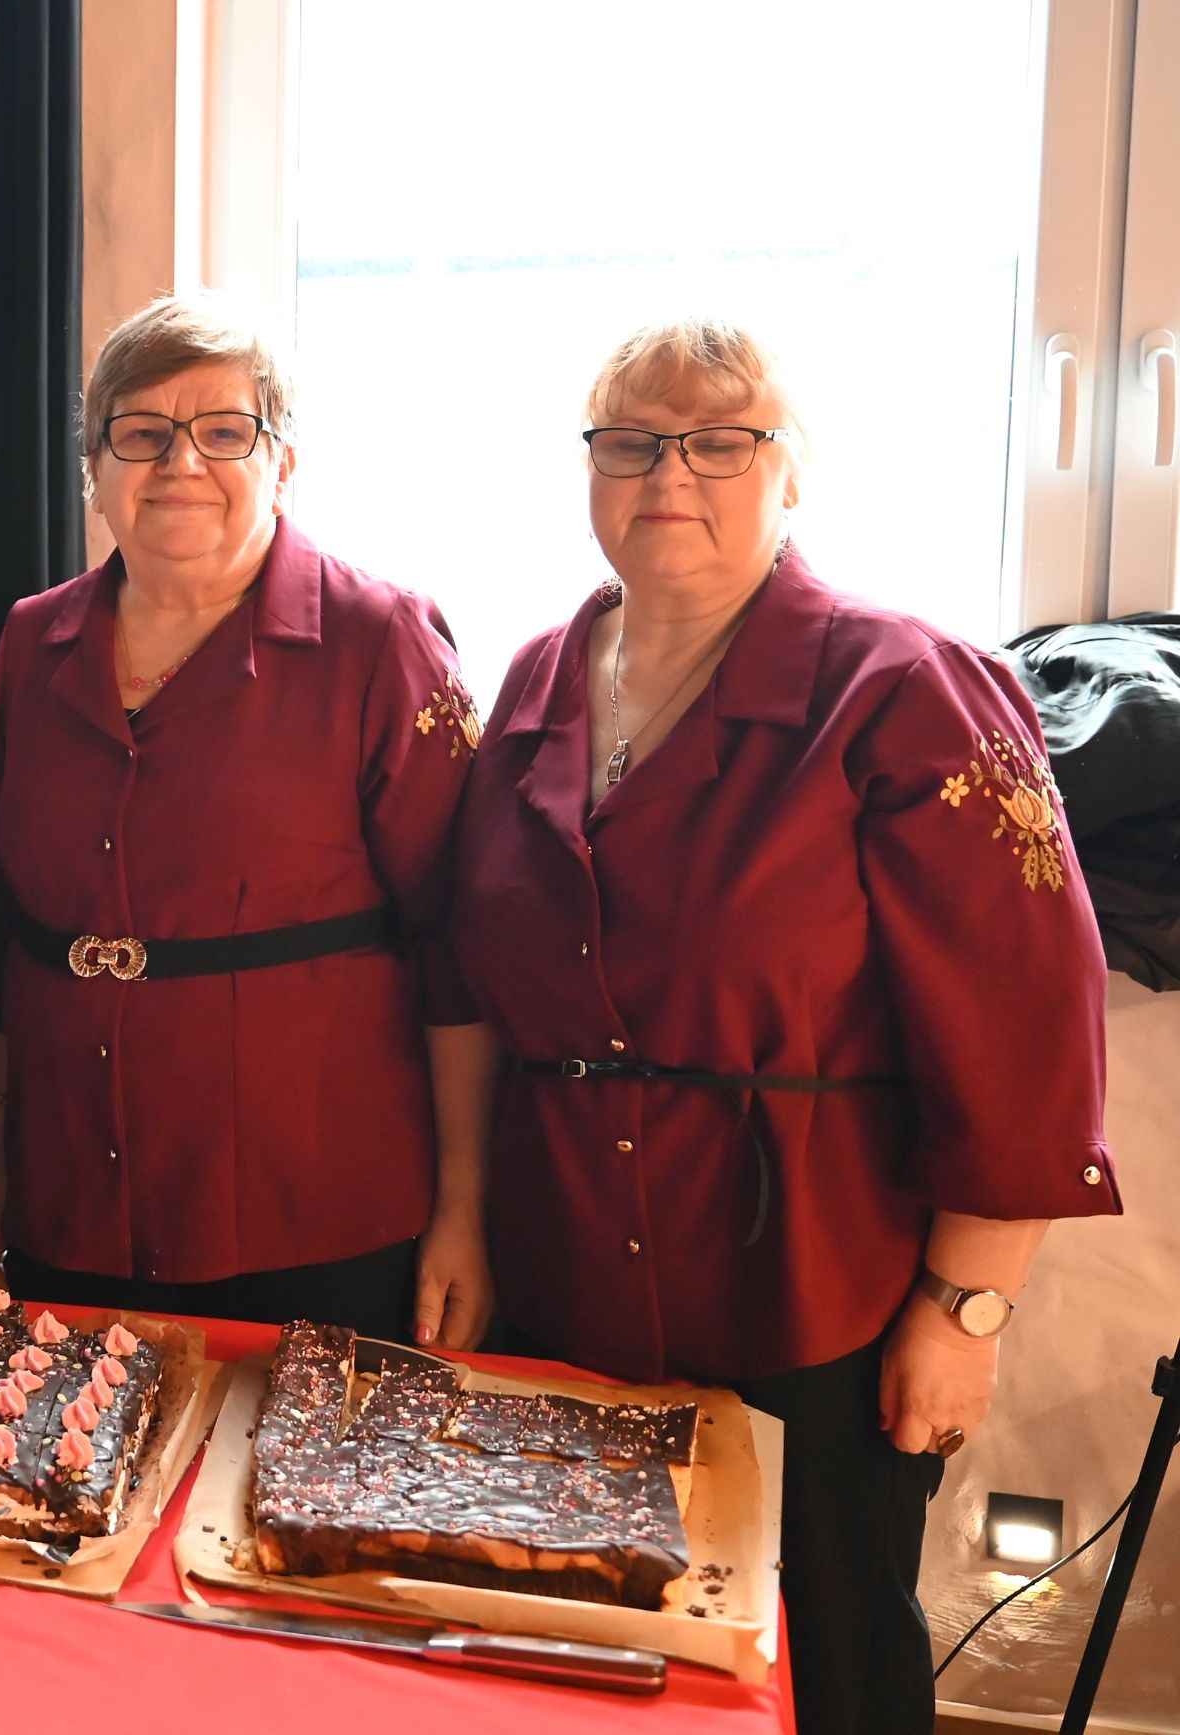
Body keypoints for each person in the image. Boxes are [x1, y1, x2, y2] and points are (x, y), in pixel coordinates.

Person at [447, 319, 1121, 1735]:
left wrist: (965, 1309)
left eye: (719, 442)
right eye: (632, 442)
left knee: (824, 1659)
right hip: (564, 1271)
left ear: (791, 471)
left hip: (816, 1293)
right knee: (583, 1657)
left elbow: (1024, 1029)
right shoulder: (532, 682)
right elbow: (477, 978)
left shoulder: (906, 686)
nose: (669, 475)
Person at [0, 293, 495, 1344]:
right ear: (93, 469)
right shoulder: (30, 643)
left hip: (321, 1212)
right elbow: (4, 934)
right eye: (139, 433)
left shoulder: (380, 640)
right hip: (71, 1200)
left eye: (223, 431)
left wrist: (466, 1210)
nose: (179, 462)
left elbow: (456, 945)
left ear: (282, 462)